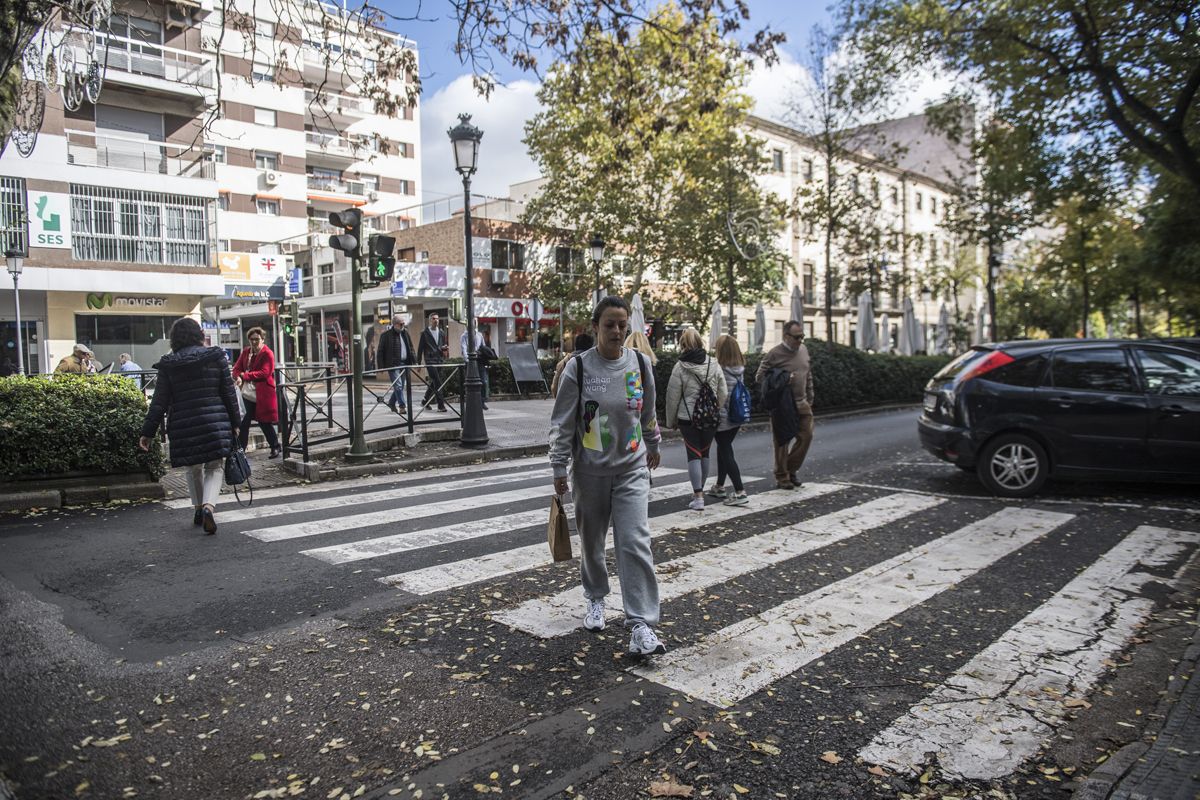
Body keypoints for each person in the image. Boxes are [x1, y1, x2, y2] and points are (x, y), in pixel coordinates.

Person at [549, 296, 666, 656]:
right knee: (593, 544)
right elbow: (563, 419)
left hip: (631, 467)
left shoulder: (641, 365)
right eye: (610, 324)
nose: (617, 331)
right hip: (589, 472)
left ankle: (641, 624)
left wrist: (653, 442)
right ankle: (596, 597)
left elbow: (647, 411)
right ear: (595, 327)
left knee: (635, 542)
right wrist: (558, 465)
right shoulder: (579, 368)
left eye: (622, 325)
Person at [139, 317, 240, 535]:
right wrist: (236, 423)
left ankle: (197, 507)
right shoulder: (216, 357)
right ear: (199, 335)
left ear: (175, 338)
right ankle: (208, 507)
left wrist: (148, 432)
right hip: (215, 421)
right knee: (214, 466)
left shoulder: (169, 364)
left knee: (193, 467)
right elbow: (229, 393)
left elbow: (159, 401)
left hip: (183, 424)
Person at [664, 328, 727, 511]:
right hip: (710, 417)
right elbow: (723, 392)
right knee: (705, 453)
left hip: (687, 418)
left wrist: (671, 420)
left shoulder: (680, 367)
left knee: (693, 454)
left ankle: (698, 496)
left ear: (683, 345)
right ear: (701, 343)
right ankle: (699, 493)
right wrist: (715, 408)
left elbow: (672, 396)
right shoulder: (714, 364)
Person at [756, 320, 815, 489]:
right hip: (782, 405)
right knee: (782, 441)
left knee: (806, 436)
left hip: (802, 402)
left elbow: (808, 373)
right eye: (797, 337)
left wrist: (810, 398)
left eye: (802, 337)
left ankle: (790, 469)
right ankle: (782, 476)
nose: (800, 341)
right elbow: (760, 377)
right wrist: (782, 378)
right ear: (786, 336)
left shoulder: (803, 350)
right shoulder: (774, 354)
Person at [708, 334, 749, 506]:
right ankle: (719, 486)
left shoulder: (719, 369)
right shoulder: (740, 369)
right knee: (724, 448)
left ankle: (740, 491)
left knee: (726, 451)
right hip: (736, 416)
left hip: (723, 416)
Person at [232, 327, 281, 459]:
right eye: (251, 339)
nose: (254, 342)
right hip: (247, 393)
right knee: (244, 422)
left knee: (264, 422)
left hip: (263, 393)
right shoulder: (246, 352)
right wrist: (237, 376)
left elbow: (265, 372)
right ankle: (241, 451)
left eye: (257, 339)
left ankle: (275, 446)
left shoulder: (267, 353)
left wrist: (245, 375)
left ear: (262, 339)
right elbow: (236, 368)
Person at [376, 315, 415, 414]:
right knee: (398, 386)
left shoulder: (405, 333)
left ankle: (392, 402)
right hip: (393, 365)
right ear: (395, 324)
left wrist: (415, 361)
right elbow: (380, 351)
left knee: (401, 386)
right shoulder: (386, 335)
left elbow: (411, 348)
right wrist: (380, 366)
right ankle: (402, 406)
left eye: (403, 323)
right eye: (401, 324)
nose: (403, 325)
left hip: (405, 363)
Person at [417, 312, 449, 412]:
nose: (436, 320)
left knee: (434, 381)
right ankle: (440, 405)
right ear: (430, 320)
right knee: (437, 382)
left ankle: (425, 400)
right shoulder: (425, 333)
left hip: (439, 359)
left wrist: (444, 348)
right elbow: (420, 349)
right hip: (429, 360)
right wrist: (418, 363)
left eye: (437, 319)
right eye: (434, 319)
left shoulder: (442, 332)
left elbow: (443, 345)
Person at [460, 325, 492, 410]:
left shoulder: (479, 335)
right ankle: (472, 403)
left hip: (479, 360)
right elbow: (463, 348)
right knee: (469, 384)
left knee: (483, 381)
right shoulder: (464, 336)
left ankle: (482, 401)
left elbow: (483, 346)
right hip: (470, 361)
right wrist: (468, 360)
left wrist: (483, 354)